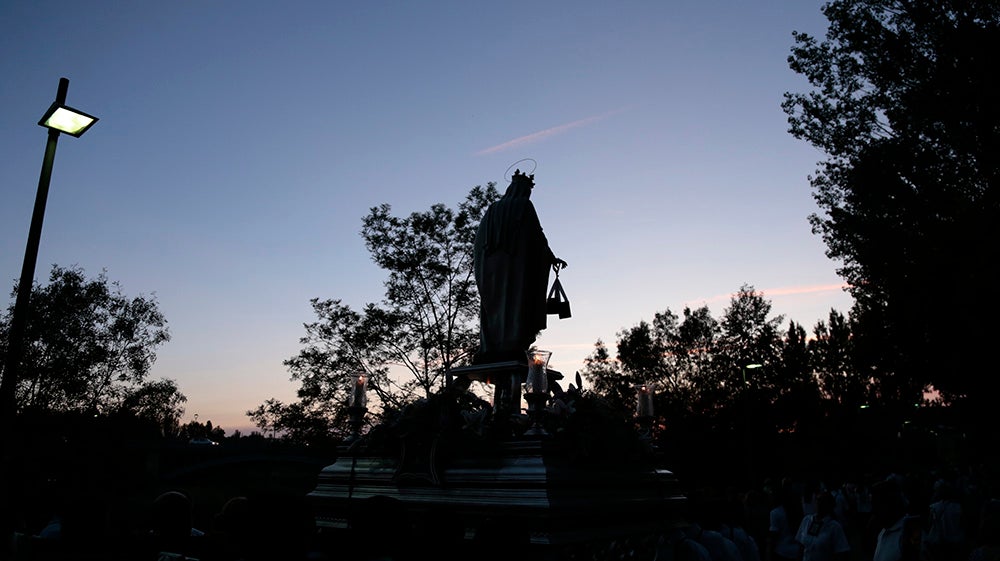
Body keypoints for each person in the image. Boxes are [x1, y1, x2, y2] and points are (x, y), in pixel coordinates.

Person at [473, 169, 566, 364]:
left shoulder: (492, 210)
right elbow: (537, 237)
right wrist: (551, 257)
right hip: (517, 270)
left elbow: (479, 243)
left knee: (496, 305)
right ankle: (512, 344)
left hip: (491, 271)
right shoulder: (524, 205)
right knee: (516, 304)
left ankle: (492, 346)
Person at [794, 491, 850, 561]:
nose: (819, 503)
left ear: (829, 506)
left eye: (823, 501)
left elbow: (842, 553)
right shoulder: (806, 520)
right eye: (817, 500)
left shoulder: (835, 527)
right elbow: (800, 545)